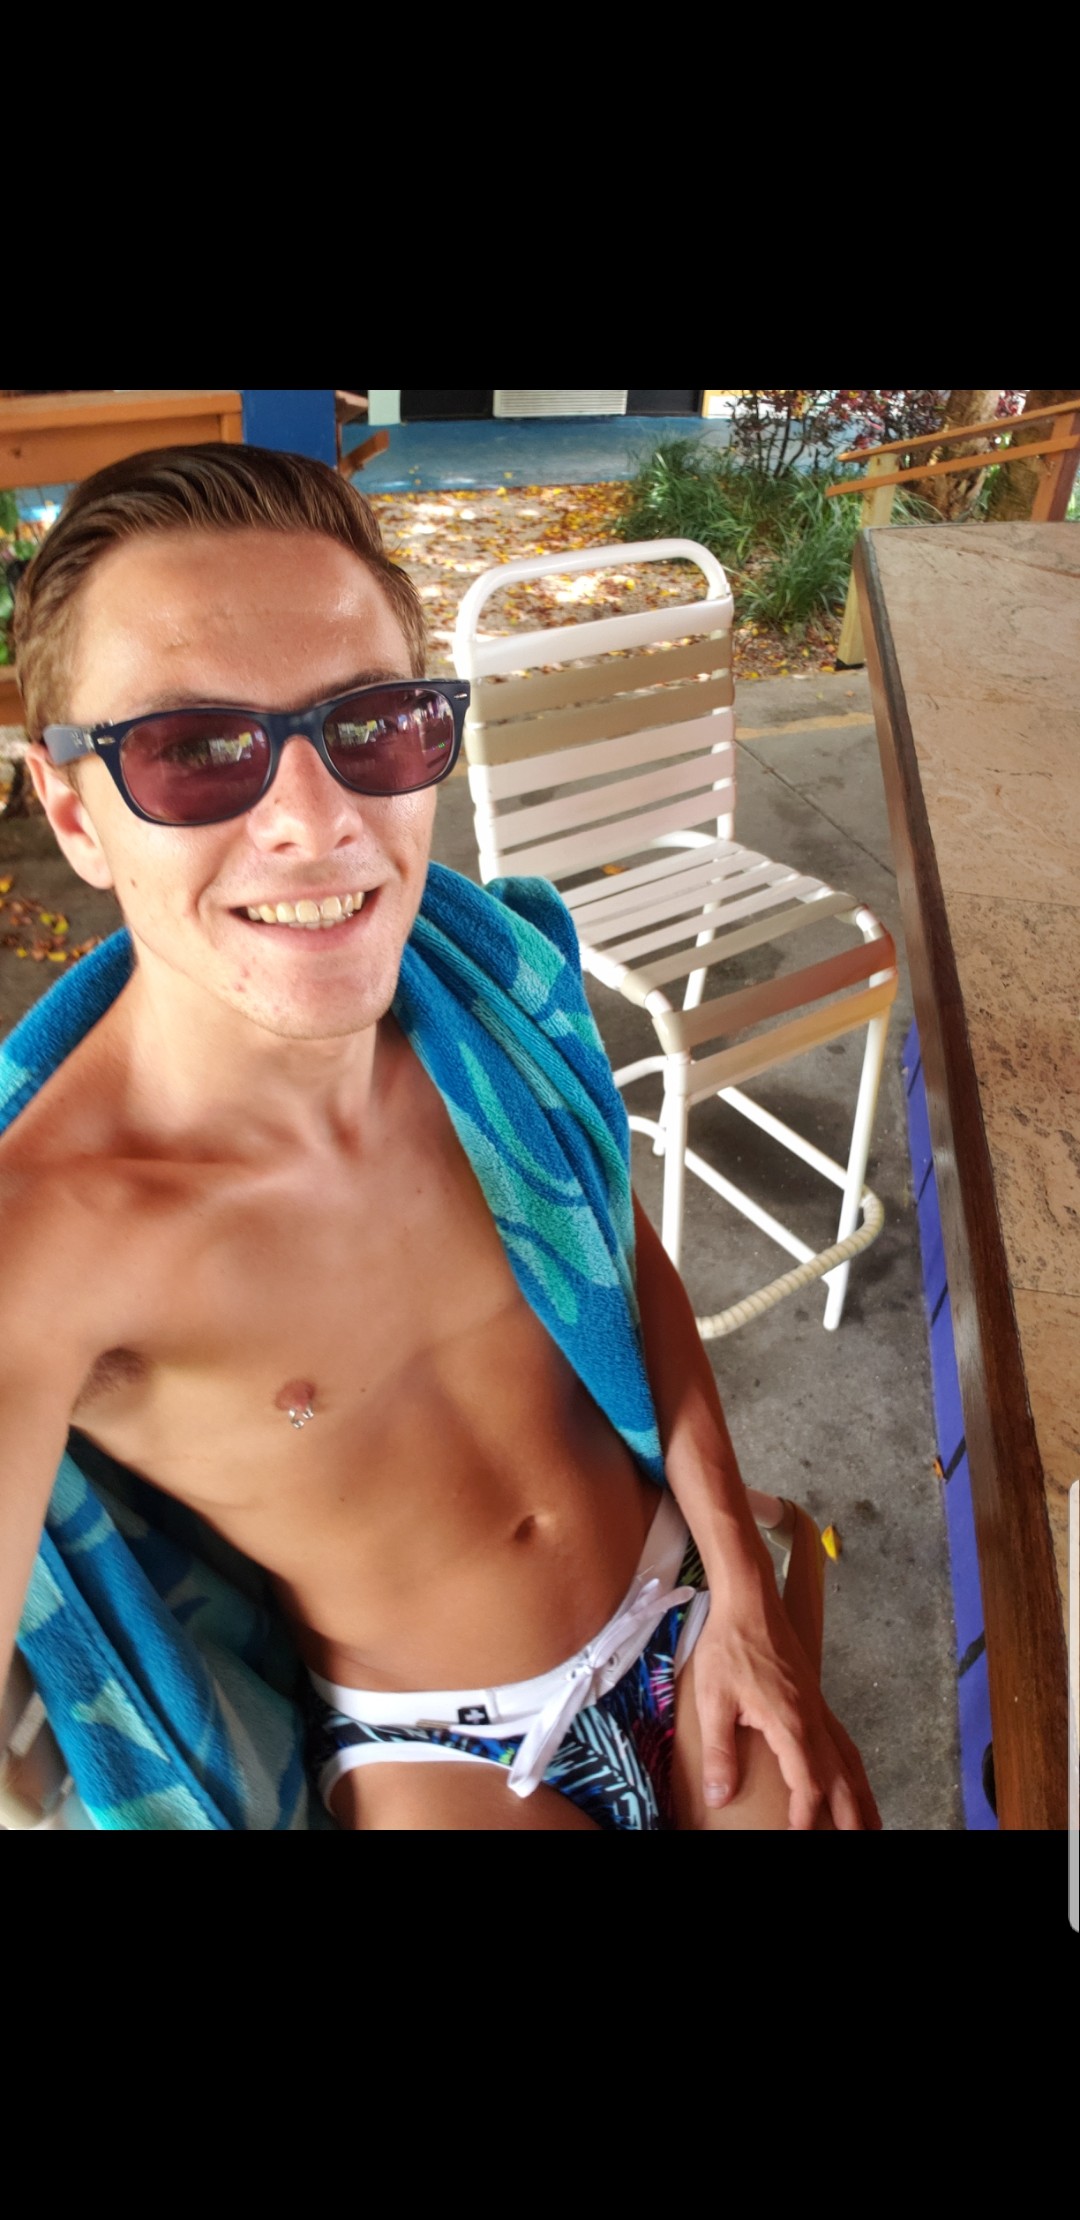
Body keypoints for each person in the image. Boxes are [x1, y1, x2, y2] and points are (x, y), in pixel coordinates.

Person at [0, 443, 879, 1832]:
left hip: (682, 1591)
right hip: (447, 1750)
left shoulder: (482, 1001)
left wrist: (737, 1581)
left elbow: (617, 1254)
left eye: (372, 726)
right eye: (194, 750)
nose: (315, 823)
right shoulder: (45, 1242)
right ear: (74, 813)